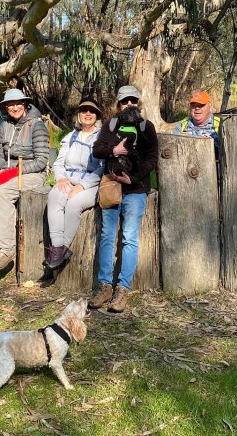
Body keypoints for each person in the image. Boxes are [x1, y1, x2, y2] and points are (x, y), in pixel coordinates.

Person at [88, 85, 159, 314]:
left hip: (135, 189)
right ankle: (104, 286)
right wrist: (114, 151)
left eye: (133, 101)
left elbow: (152, 158)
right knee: (107, 236)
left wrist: (134, 178)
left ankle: (123, 288)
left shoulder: (146, 127)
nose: (129, 105)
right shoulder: (111, 125)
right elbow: (97, 150)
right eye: (124, 101)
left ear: (138, 104)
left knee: (129, 238)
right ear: (117, 105)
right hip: (111, 187)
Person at [0, 88, 50, 278]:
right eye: (10, 105)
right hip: (10, 172)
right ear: (5, 107)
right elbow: (0, 156)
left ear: (24, 104)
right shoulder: (5, 124)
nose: (14, 108)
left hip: (32, 173)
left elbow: (41, 161)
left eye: (18, 104)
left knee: (3, 193)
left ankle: (6, 249)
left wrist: (16, 171)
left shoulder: (37, 125)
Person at [43, 96, 105, 271]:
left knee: (74, 204)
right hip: (68, 179)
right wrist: (61, 178)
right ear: (78, 115)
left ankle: (63, 248)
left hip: (92, 184)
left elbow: (102, 167)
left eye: (92, 111)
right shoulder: (70, 136)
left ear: (97, 116)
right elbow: (58, 162)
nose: (88, 113)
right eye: (84, 110)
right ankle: (57, 248)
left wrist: (82, 186)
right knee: (54, 197)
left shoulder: (102, 137)